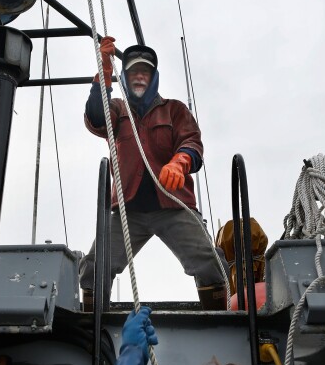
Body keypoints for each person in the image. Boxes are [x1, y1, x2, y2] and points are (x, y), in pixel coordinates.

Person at [79, 37, 227, 310]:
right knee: (94, 266)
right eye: (133, 71)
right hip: (127, 211)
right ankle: (91, 328)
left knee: (210, 260)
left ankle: (221, 318)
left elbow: (192, 142)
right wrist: (103, 76)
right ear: (125, 77)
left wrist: (180, 161)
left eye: (144, 72)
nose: (138, 77)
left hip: (173, 204)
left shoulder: (175, 110)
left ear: (154, 77)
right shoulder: (117, 110)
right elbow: (96, 119)